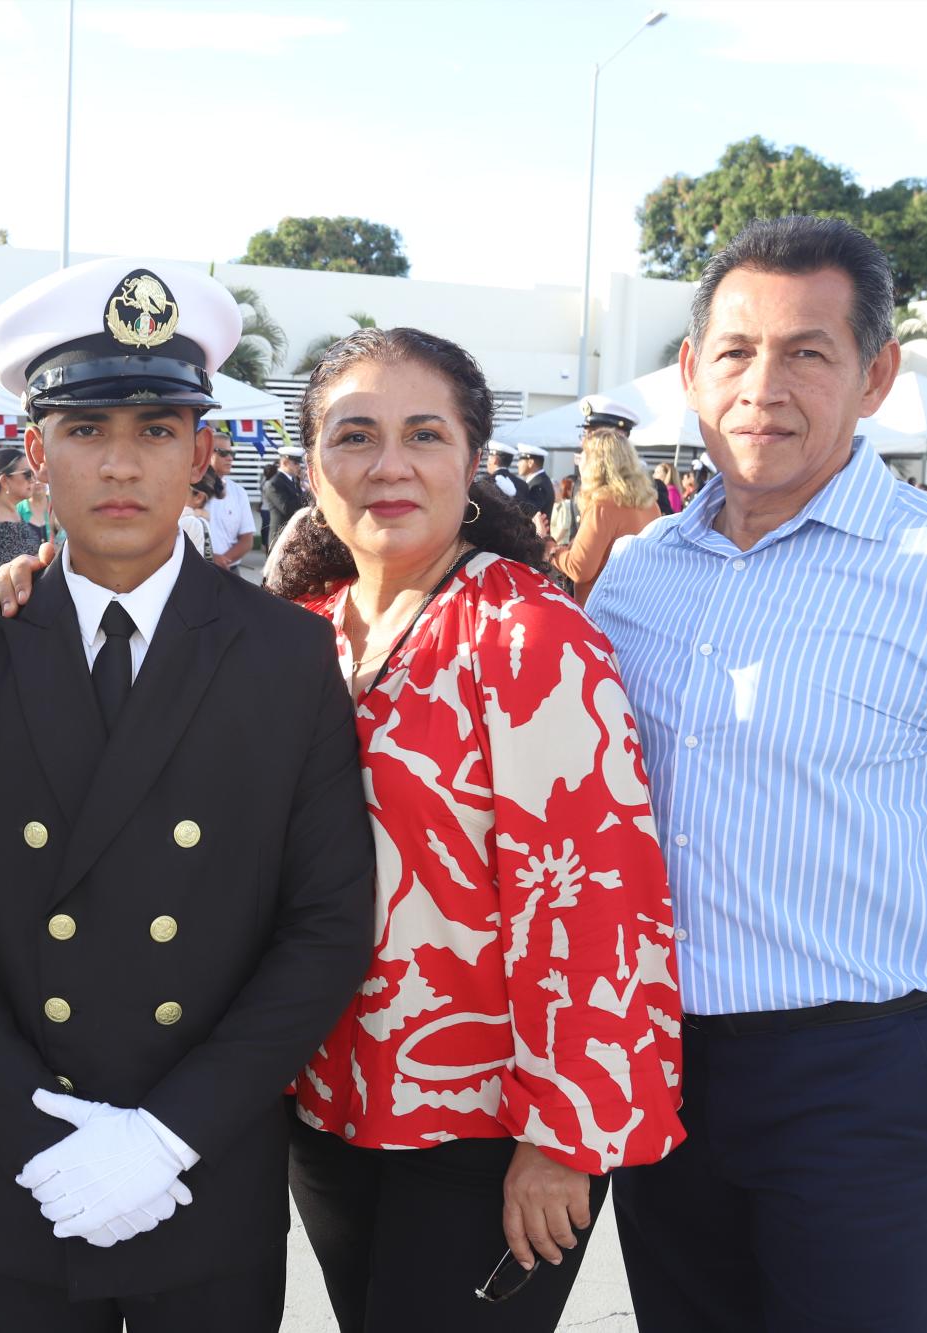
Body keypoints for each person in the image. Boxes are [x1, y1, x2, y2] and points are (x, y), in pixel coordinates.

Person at [590, 215, 927, 1333]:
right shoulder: (635, 579)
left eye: (807, 352)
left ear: (874, 375)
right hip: (657, 1069)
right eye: (735, 352)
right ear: (689, 374)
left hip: (862, 1078)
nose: (763, 386)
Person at [0, 256, 375, 1333]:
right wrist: (38, 1130)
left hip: (206, 1167)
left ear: (202, 454)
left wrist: (167, 1133)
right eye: (85, 429)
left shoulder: (284, 656)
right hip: (27, 1173)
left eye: (156, 430)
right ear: (34, 453)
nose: (120, 463)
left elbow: (327, 922)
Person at [261, 327, 684, 1332]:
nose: (388, 463)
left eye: (423, 433)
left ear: (471, 457)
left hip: (490, 1126)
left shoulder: (528, 633)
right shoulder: (299, 634)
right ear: (314, 463)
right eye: (353, 435)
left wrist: (565, 1138)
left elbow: (596, 899)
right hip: (329, 1102)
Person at [549, 426, 662, 608]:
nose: (579, 463)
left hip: (600, 615)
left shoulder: (602, 504)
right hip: (637, 609)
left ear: (595, 463)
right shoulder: (650, 504)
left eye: (583, 455)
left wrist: (550, 549)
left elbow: (579, 569)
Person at [0, 445, 45, 580]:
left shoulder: (7, 512)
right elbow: (7, 580)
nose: (33, 480)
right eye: (27, 474)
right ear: (4, 481)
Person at [205, 436, 259, 572]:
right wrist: (210, 559)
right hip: (196, 570)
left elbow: (247, 540)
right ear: (206, 453)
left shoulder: (238, 493)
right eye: (223, 453)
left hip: (229, 570)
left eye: (232, 453)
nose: (230, 458)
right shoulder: (188, 489)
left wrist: (221, 561)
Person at [261, 443, 310, 539]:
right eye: (295, 463)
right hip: (281, 536)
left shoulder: (293, 480)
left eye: (299, 463)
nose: (299, 466)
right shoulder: (273, 483)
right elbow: (286, 508)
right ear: (285, 462)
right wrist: (307, 494)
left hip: (294, 534)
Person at [514, 443, 555, 520]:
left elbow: (529, 511)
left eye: (521, 460)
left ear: (530, 462)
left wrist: (514, 493)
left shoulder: (539, 484)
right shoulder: (538, 480)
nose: (517, 464)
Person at [550, 474, 581, 545]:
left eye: (553, 488)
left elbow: (564, 527)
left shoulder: (565, 504)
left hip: (561, 543)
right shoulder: (555, 505)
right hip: (556, 542)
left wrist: (554, 543)